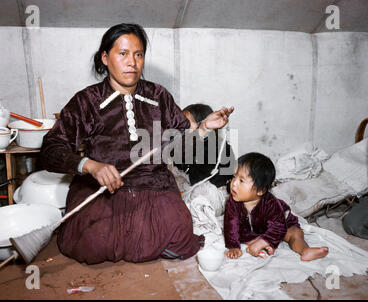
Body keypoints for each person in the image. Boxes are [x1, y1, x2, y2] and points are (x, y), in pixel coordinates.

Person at [40, 23, 234, 265]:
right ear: (105, 57)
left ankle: (149, 236)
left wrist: (204, 127)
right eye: (123, 54)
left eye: (138, 54)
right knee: (90, 241)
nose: (132, 62)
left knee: (180, 233)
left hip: (153, 184)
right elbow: (50, 150)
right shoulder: (86, 101)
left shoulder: (159, 96)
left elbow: (181, 146)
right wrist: (90, 166)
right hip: (102, 188)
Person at [224, 152, 329, 261]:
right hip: (256, 228)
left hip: (283, 224)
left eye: (241, 180)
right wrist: (233, 246)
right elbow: (230, 225)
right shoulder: (232, 202)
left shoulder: (271, 204)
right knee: (239, 232)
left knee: (295, 233)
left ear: (260, 190)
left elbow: (279, 227)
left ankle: (305, 250)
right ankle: (264, 244)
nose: (234, 183)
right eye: (234, 177)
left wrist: (263, 241)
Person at [174, 103, 235, 188]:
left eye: (186, 123)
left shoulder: (218, 150)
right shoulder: (180, 144)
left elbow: (202, 185)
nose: (180, 127)